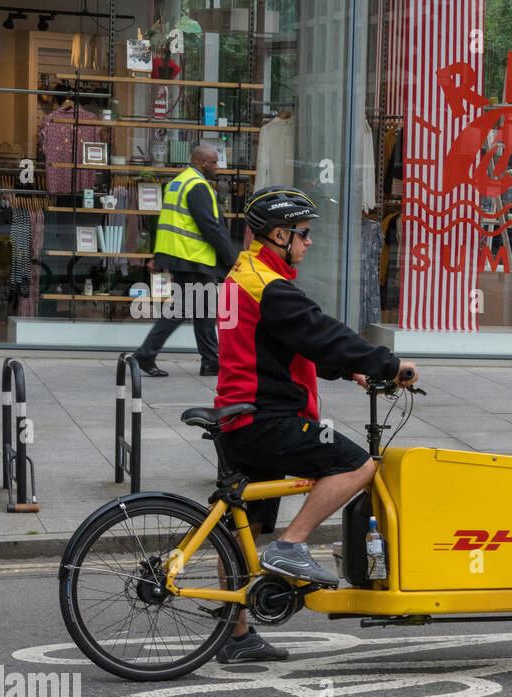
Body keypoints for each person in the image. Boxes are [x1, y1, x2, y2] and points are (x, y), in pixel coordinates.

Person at [212, 187, 419, 661]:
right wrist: (387, 364)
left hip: (237, 415)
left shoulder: (243, 276)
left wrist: (350, 370)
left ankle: (235, 635)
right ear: (280, 235)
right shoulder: (270, 285)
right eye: (304, 234)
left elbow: (285, 345)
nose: (309, 243)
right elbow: (321, 333)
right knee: (356, 464)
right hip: (266, 419)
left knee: (241, 529)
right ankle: (293, 546)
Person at [133, 144, 238, 377]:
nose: (217, 167)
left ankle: (210, 360)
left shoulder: (178, 182)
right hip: (193, 258)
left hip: (183, 256)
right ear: (202, 163)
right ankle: (145, 354)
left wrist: (160, 256)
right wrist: (231, 259)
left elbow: (166, 223)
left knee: (204, 309)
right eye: (214, 162)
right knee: (182, 309)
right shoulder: (197, 186)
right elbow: (211, 227)